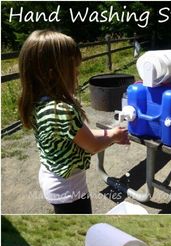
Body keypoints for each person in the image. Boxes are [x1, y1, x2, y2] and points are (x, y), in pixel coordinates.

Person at [18, 30, 129, 214]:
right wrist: (113, 136)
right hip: (69, 189)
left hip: (54, 178)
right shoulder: (61, 111)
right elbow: (91, 146)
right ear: (54, 73)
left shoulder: (39, 103)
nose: (77, 74)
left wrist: (108, 133)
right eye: (74, 69)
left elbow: (79, 135)